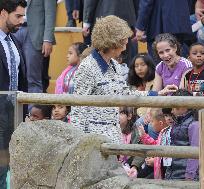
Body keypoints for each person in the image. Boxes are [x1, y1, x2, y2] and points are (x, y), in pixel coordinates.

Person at [69, 15, 177, 144]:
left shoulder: (114, 65)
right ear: (113, 43)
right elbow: (78, 106)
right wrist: (79, 141)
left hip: (111, 135)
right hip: (92, 139)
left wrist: (156, 93)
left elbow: (126, 93)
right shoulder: (87, 67)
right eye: (123, 43)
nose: (125, 48)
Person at [0, 0, 27, 187]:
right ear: (3, 13)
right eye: (18, 16)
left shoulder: (15, 41)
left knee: (7, 165)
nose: (22, 21)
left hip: (12, 114)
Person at [14, 0, 56, 93]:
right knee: (14, 74)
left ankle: (34, 106)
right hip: (14, 30)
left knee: (33, 77)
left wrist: (48, 39)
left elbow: (50, 13)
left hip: (35, 34)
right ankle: (16, 106)